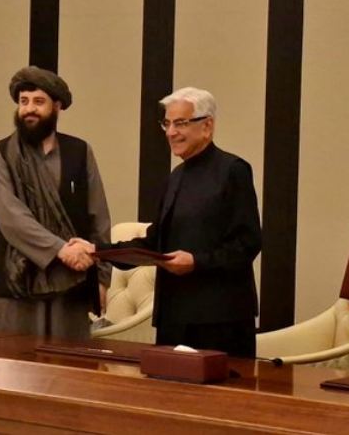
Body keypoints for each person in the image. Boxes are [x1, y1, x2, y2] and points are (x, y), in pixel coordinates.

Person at [91, 87, 261, 357]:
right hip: (173, 316)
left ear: (207, 126)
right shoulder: (176, 176)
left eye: (180, 123)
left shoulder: (233, 170)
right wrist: (97, 251)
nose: (171, 132)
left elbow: (247, 243)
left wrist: (196, 262)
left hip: (220, 320)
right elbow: (154, 242)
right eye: (167, 123)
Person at [0, 65, 111, 338]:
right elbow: (11, 217)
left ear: (57, 106)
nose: (29, 109)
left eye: (39, 102)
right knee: (13, 360)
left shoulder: (80, 151)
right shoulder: (1, 154)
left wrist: (102, 278)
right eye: (24, 101)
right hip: (15, 284)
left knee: (68, 360)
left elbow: (98, 216)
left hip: (72, 285)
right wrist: (60, 250)